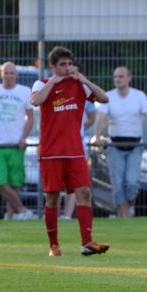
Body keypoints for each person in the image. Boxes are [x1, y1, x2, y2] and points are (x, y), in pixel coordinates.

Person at [31, 46, 110, 257]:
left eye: (69, 64)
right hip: (51, 153)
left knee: (84, 192)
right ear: (53, 67)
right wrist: (54, 82)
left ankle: (87, 242)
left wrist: (84, 80)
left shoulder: (79, 85)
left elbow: (104, 98)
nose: (67, 68)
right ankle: (54, 245)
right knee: (52, 198)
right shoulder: (42, 84)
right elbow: (36, 101)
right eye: (62, 65)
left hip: (75, 152)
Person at [0, 62, 35, 221]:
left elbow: (30, 117)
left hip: (16, 144)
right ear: (1, 74)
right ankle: (23, 210)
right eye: (6, 73)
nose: (9, 76)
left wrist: (24, 137)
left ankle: (10, 216)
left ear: (16, 75)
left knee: (14, 183)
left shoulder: (24, 91)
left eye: (12, 73)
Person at [94, 65, 147, 218]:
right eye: (115, 77)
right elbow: (101, 118)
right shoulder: (108, 96)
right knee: (117, 184)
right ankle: (125, 218)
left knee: (131, 182)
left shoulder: (139, 96)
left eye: (121, 76)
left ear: (129, 78)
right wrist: (97, 136)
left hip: (135, 145)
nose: (117, 79)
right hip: (115, 145)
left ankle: (130, 206)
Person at [60, 62, 97, 220]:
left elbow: (92, 117)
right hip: (58, 145)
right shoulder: (59, 91)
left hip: (77, 145)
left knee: (75, 181)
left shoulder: (85, 94)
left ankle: (67, 214)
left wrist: (79, 128)